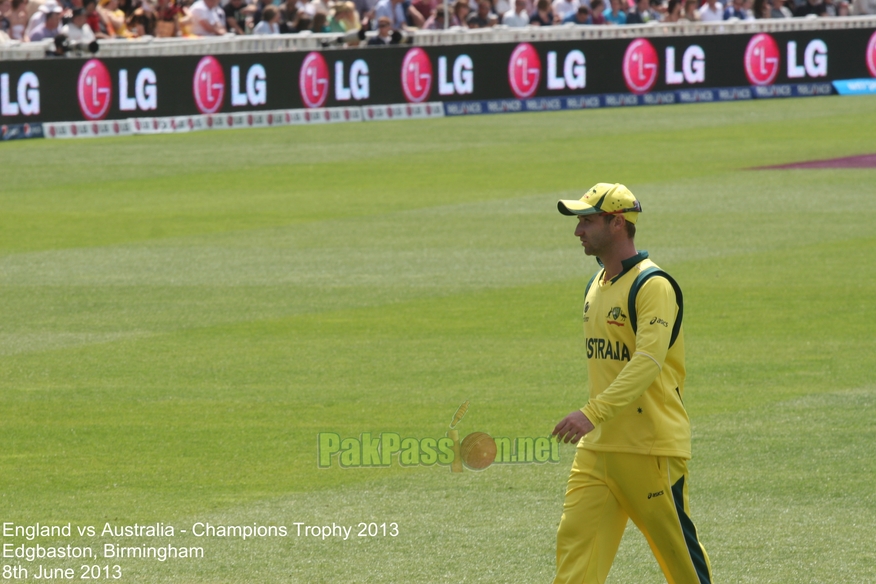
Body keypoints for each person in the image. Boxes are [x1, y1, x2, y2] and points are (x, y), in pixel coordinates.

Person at [552, 183, 714, 584]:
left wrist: (592, 413)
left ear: (617, 222)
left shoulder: (653, 285)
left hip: (650, 449)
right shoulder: (597, 285)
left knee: (680, 562)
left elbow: (647, 362)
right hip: (597, 451)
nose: (578, 232)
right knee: (575, 554)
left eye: (587, 221)